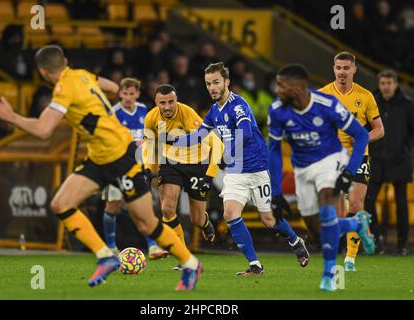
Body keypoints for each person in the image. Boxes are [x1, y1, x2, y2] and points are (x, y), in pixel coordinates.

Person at [0, 45, 202, 291]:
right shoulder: (82, 75)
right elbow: (112, 87)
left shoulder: (64, 90)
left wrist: (11, 117)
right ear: (65, 61)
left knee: (147, 223)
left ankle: (190, 263)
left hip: (121, 156)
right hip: (98, 158)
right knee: (61, 204)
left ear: (43, 72)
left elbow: (44, 131)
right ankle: (105, 255)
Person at [174, 62, 310, 275]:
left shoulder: (238, 105)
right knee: (230, 213)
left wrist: (226, 152)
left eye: (216, 82)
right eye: (208, 83)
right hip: (236, 171)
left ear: (226, 82)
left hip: (257, 167)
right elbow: (200, 135)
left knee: (269, 219)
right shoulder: (214, 111)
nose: (212, 87)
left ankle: (295, 240)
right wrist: (171, 142)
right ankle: (255, 264)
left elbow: (245, 133)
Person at [268, 64, 375, 291]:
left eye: (281, 85)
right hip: (302, 168)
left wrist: (349, 172)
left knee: (327, 202)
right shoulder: (276, 110)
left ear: (297, 88)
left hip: (330, 160)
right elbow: (274, 151)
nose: (277, 90)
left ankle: (328, 276)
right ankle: (356, 222)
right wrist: (275, 192)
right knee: (317, 230)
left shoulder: (327, 105)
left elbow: (361, 135)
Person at [142, 84, 220, 270]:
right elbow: (149, 146)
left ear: (176, 100)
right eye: (163, 103)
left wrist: (210, 175)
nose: (167, 107)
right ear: (156, 102)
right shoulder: (151, 118)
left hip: (197, 164)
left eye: (171, 102)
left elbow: (216, 144)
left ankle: (205, 221)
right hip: (171, 162)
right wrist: (149, 170)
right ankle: (183, 257)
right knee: (167, 208)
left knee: (196, 219)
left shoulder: (188, 115)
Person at [319, 52, 384, 271]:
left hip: (358, 156)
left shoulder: (365, 96)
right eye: (338, 68)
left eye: (346, 68)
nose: (342, 72)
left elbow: (379, 130)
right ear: (333, 68)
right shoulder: (323, 95)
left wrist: (362, 138)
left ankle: (350, 259)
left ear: (354, 69)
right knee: (337, 212)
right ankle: (357, 227)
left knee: (355, 205)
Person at [101, 77, 168, 260]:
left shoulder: (143, 110)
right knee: (112, 207)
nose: (128, 97)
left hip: (137, 167)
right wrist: (134, 143)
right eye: (125, 93)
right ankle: (111, 246)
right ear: (119, 93)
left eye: (132, 93)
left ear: (137, 94)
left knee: (144, 209)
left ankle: (153, 246)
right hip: (116, 166)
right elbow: (111, 140)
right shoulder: (114, 112)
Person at [366, 69, 414, 255]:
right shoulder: (372, 103)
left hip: (399, 160)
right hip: (376, 160)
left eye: (389, 83)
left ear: (396, 84)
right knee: (369, 200)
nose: (386, 87)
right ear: (379, 84)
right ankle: (375, 242)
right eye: (383, 83)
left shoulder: (408, 105)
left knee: (401, 204)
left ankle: (402, 244)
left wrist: (406, 147)